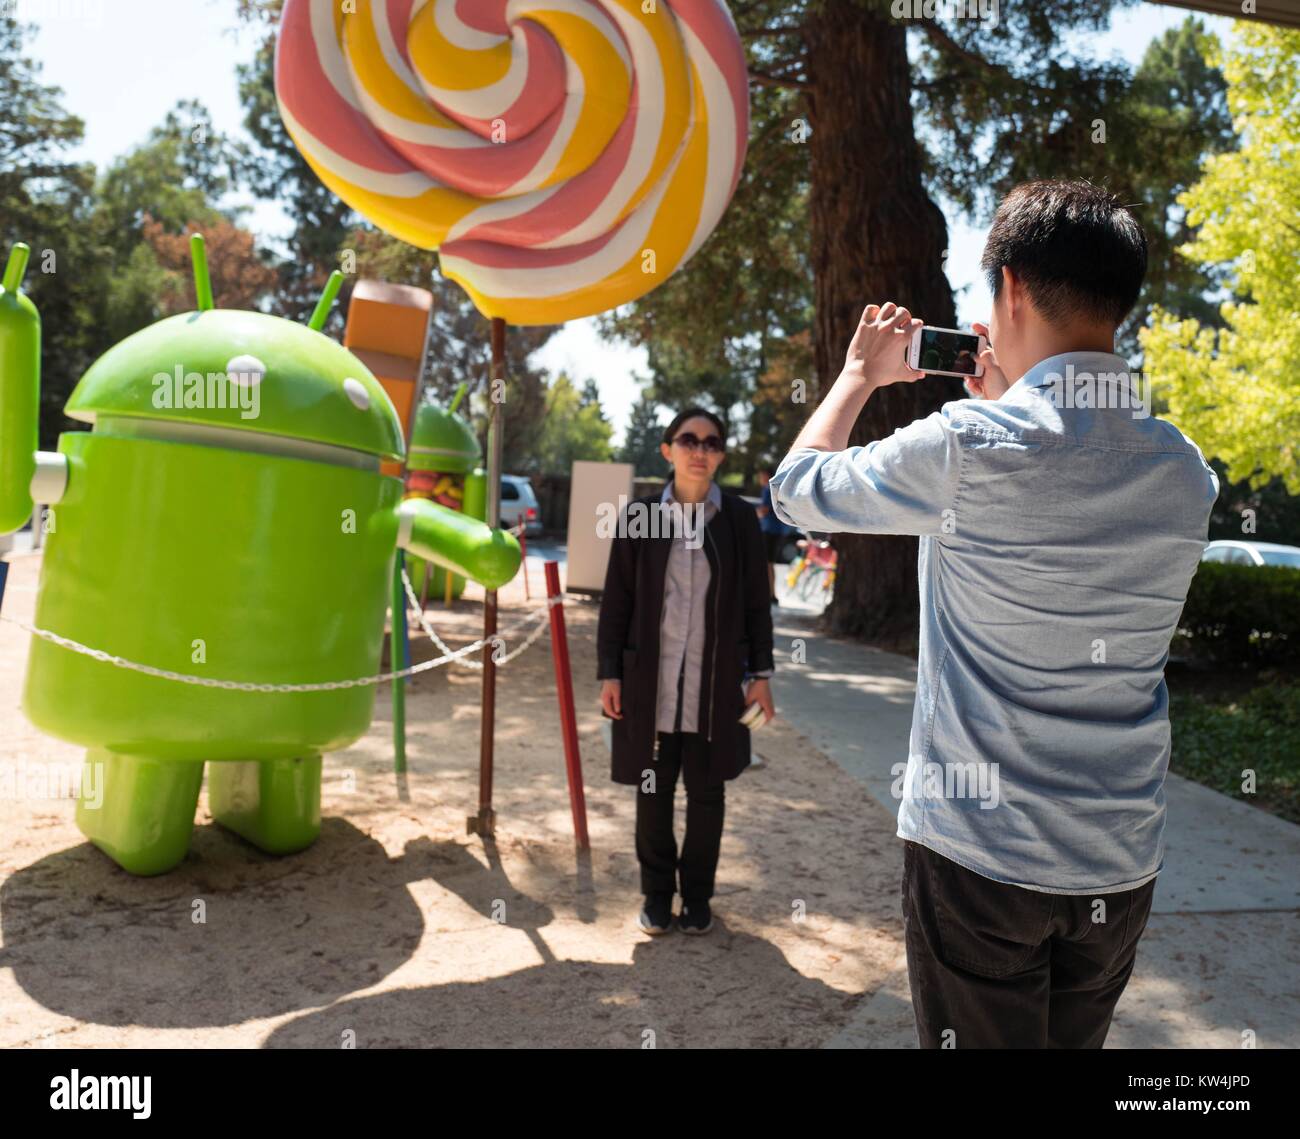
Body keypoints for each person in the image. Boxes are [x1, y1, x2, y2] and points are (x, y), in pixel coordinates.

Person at [771, 180, 1218, 1048]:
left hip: (981, 858)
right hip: (1118, 860)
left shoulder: (967, 448)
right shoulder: (1183, 472)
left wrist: (861, 373)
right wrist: (1001, 405)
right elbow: (1066, 501)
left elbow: (797, 493)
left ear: (1010, 285)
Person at [597, 407, 776, 936]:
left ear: (721, 454)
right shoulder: (639, 516)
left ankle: (697, 898)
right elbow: (617, 601)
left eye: (712, 442)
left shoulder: (740, 519)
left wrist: (762, 674)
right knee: (652, 789)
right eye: (688, 439)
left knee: (707, 792)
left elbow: (755, 604)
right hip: (651, 683)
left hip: (715, 684)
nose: (700, 450)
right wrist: (611, 673)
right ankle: (656, 896)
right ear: (668, 449)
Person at [756, 468, 793, 604]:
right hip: (777, 531)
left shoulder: (767, 489)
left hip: (769, 530)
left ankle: (769, 594)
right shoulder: (776, 488)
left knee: (766, 564)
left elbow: (763, 511)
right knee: (769, 564)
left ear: (766, 476)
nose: (760, 479)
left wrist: (753, 514)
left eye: (761, 476)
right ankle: (771, 593)